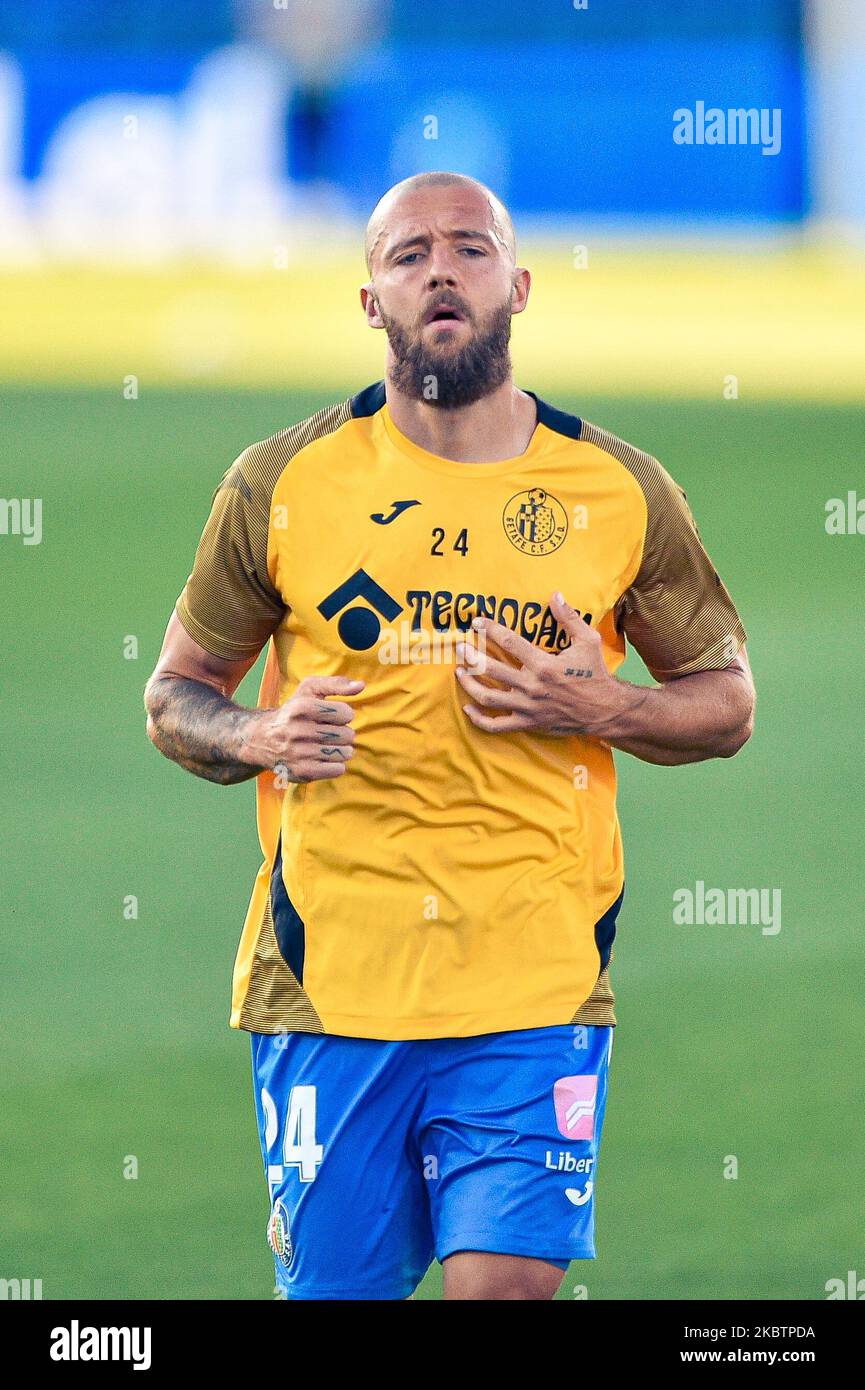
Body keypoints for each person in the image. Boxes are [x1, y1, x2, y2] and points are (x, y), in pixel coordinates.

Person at [143, 171, 755, 1301]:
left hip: (533, 981)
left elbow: (726, 700)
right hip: (334, 986)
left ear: (517, 285)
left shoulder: (616, 490)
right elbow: (175, 695)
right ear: (368, 299)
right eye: (408, 252)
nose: (439, 268)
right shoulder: (281, 483)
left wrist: (600, 707)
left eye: (469, 249)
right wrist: (265, 732)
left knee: (504, 1286)